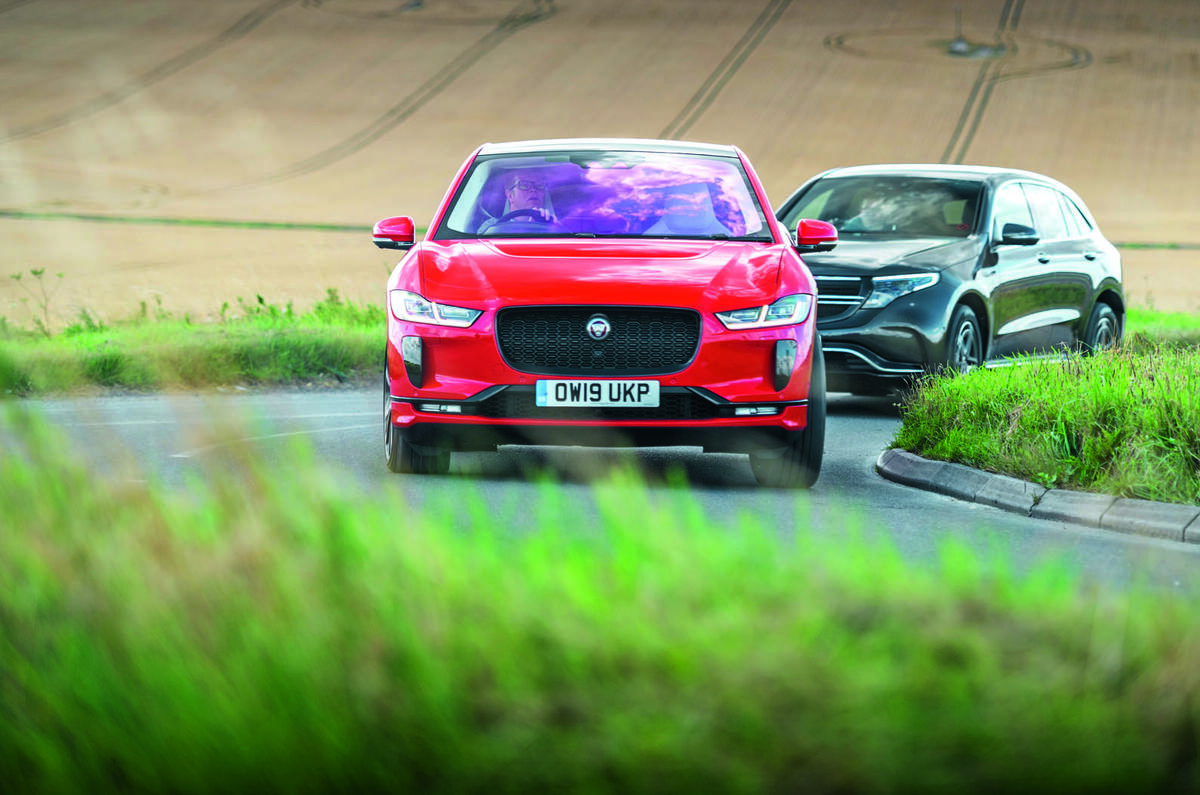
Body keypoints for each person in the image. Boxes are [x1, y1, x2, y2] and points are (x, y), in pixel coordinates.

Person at [645, 183, 730, 236]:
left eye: (697, 197)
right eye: (683, 198)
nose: (691, 203)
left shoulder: (731, 240)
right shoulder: (647, 241)